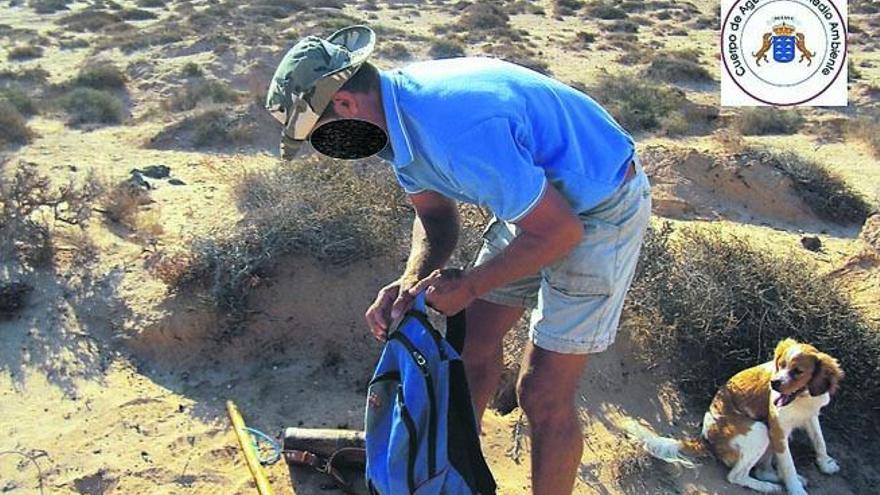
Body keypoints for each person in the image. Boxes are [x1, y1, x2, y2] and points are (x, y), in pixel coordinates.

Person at [266, 25, 652, 495]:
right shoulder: (394, 125)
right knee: (470, 353)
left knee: (542, 392)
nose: (329, 150)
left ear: (345, 104)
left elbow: (562, 232)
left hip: (600, 205)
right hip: (533, 203)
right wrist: (409, 282)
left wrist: (469, 286)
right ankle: (451, 482)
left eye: (320, 135)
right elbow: (435, 219)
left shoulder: (452, 129)